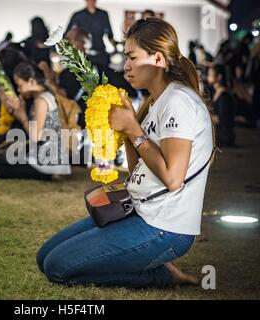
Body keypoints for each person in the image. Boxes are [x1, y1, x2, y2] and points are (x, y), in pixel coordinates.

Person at [37, 18, 214, 288]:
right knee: (44, 257)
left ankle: (160, 275)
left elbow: (173, 178)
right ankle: (147, 261)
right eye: (125, 57)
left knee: (57, 268)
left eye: (132, 57)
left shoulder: (179, 101)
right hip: (138, 210)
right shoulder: (155, 100)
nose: (126, 66)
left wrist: (133, 130)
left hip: (165, 227)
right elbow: (136, 170)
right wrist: (128, 129)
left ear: (157, 59)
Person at [0, 62, 71, 180]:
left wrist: (22, 115)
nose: (19, 90)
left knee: (1, 169)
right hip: (47, 154)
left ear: (32, 82)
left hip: (49, 159)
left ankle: (49, 175)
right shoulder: (44, 96)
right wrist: (14, 110)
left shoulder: (42, 100)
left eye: (20, 85)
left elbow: (36, 137)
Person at [66, 0, 117, 68]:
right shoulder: (78, 15)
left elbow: (109, 35)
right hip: (83, 56)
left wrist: (116, 49)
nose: (91, 1)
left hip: (101, 55)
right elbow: (68, 35)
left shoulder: (103, 14)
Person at [207, 65, 236, 147]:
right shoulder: (217, 92)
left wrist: (205, 115)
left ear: (219, 77)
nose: (208, 77)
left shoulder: (224, 96)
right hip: (219, 132)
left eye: (210, 74)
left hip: (225, 135)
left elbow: (222, 120)